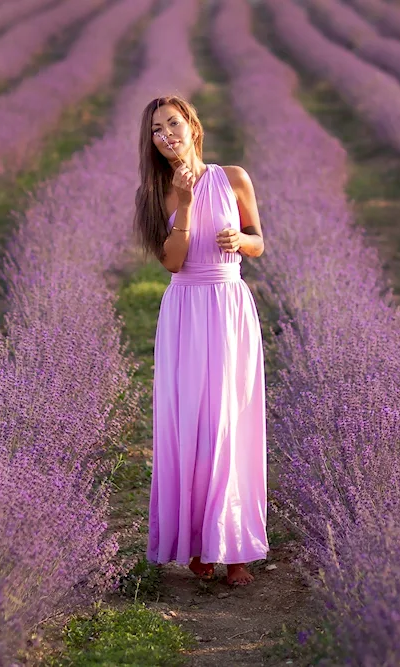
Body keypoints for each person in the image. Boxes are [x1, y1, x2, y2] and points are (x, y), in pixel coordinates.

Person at [133, 95, 268, 586]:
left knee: (230, 421)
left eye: (173, 123)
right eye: (156, 130)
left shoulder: (234, 178)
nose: (166, 134)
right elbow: (172, 262)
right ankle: (195, 543)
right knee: (190, 424)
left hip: (229, 305)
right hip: (186, 310)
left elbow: (259, 241)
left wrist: (242, 243)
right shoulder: (153, 195)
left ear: (191, 126)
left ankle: (234, 550)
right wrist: (186, 205)